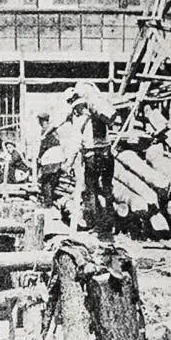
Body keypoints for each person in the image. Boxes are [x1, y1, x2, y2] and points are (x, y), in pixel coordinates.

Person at [67, 82, 116, 239]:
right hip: (108, 156)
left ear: (77, 107)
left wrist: (68, 163)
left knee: (91, 191)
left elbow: (75, 145)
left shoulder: (81, 121)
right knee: (107, 189)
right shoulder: (100, 118)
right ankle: (109, 224)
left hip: (92, 158)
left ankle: (97, 226)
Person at [36, 111, 63, 206]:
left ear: (41, 120)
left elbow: (43, 146)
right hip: (58, 155)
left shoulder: (45, 130)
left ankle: (48, 203)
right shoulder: (54, 130)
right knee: (54, 180)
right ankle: (53, 200)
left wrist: (39, 157)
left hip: (50, 156)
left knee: (46, 181)